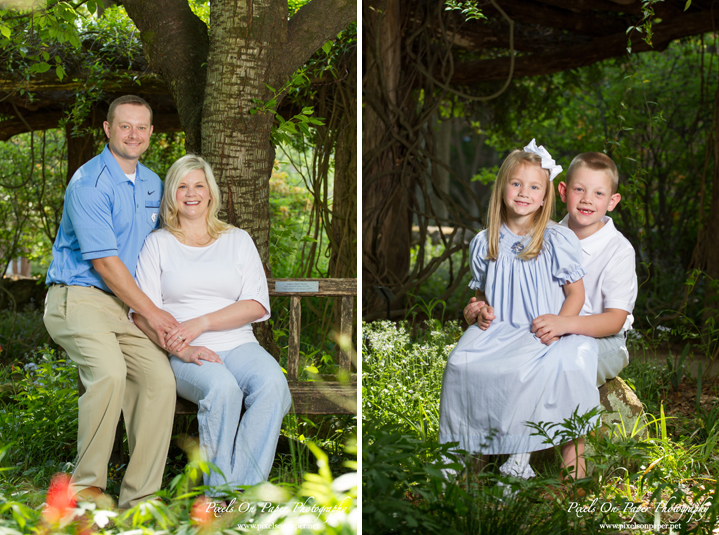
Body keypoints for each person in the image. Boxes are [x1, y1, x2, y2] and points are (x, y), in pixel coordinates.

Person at [466, 151, 638, 478]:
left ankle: (571, 470)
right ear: (561, 192)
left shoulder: (618, 249)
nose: (587, 200)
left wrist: (565, 324)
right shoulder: (543, 235)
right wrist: (482, 310)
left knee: (560, 367)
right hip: (545, 331)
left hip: (603, 339)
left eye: (598, 193)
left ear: (612, 201)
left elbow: (615, 319)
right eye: (579, 190)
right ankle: (479, 460)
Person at [44, 95, 179, 509]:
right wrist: (157, 316)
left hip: (127, 308)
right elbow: (104, 263)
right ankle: (87, 493)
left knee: (160, 383)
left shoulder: (155, 183)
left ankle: (140, 500)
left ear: (152, 133)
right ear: (108, 129)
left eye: (142, 127)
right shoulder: (89, 183)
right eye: (125, 126)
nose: (133, 134)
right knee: (110, 375)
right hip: (78, 298)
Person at [439, 140, 599, 481]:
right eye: (516, 184)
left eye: (534, 187)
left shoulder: (556, 239)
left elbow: (576, 293)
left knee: (535, 369)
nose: (524, 192)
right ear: (502, 189)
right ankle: (463, 453)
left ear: (544, 197)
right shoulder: (485, 241)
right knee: (460, 363)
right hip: (499, 330)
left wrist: (561, 323)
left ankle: (519, 457)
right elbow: (480, 298)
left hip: (541, 329)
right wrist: (477, 310)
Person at [131, 154, 292, 493]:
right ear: (172, 194)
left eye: (199, 185)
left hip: (240, 344)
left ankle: (241, 496)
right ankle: (220, 500)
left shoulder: (237, 239)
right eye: (182, 186)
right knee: (222, 389)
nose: (191, 193)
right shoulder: (157, 244)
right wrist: (185, 347)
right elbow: (142, 314)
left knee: (273, 385)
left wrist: (201, 323)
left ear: (210, 193)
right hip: (182, 351)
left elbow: (256, 304)